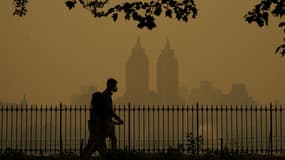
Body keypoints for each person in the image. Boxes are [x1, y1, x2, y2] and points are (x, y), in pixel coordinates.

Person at [81, 78, 123, 159]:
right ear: (110, 85)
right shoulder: (106, 95)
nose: (116, 87)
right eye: (115, 85)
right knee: (103, 141)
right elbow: (109, 110)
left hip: (104, 123)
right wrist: (118, 119)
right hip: (105, 123)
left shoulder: (106, 95)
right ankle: (112, 155)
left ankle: (87, 155)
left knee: (103, 141)